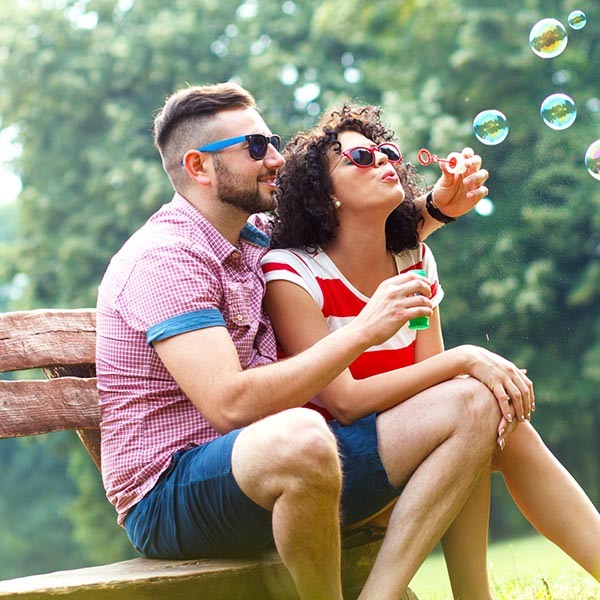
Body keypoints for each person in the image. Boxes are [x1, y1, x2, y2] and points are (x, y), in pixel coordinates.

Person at [96, 81, 515, 600]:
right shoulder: (166, 259)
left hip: (286, 460)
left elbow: (346, 231)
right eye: (254, 147)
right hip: (173, 493)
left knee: (472, 402)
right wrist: (364, 331)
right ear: (199, 166)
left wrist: (436, 208)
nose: (274, 158)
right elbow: (229, 405)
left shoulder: (251, 234)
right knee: (302, 435)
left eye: (270, 140)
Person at [261, 103, 600, 598]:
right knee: (475, 405)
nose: (382, 160)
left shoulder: (412, 259)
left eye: (386, 151)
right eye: (359, 156)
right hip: (334, 475)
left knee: (500, 422)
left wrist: (464, 375)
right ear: (324, 195)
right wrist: (467, 360)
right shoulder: (293, 273)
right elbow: (346, 401)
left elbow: (432, 386)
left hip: (413, 447)